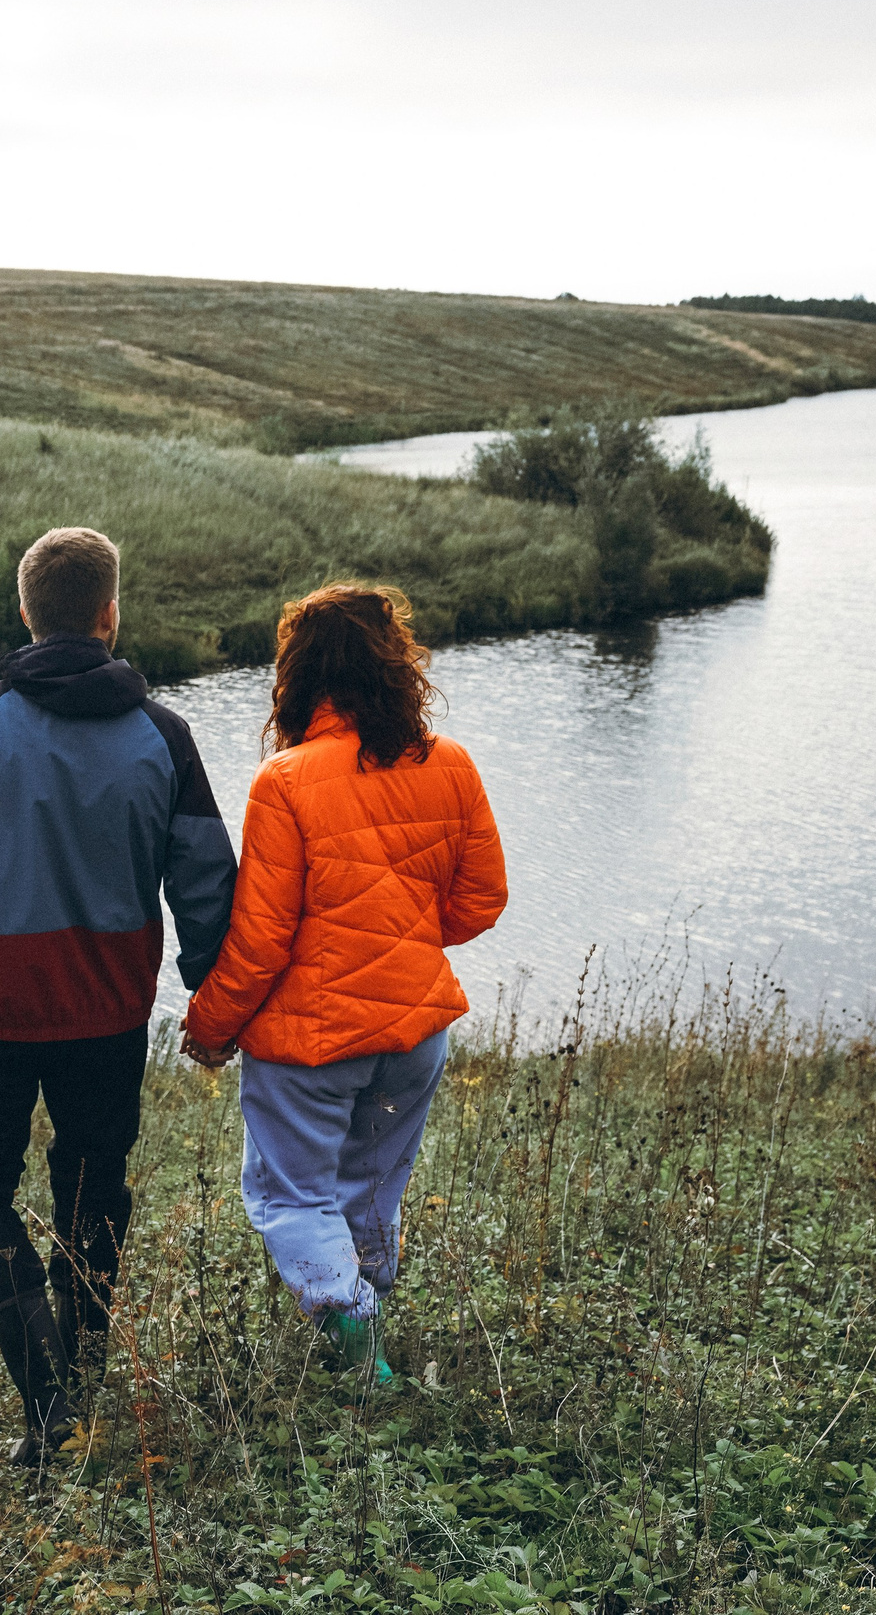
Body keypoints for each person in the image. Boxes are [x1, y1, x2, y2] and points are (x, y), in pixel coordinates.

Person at [0, 526, 236, 1463]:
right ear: (110, 615)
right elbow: (206, 877)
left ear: (25, 613)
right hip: (109, 1014)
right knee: (92, 1184)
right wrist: (214, 1000)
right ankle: (71, 1381)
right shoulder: (164, 734)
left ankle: (46, 1387)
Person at [181, 584, 507, 1381]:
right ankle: (367, 1347)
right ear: (397, 666)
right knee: (371, 1191)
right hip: (415, 1036)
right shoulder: (451, 764)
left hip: (311, 1044)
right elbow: (481, 900)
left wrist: (210, 1026)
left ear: (298, 675)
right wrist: (400, 940)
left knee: (291, 1198)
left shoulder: (285, 780)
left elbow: (261, 940)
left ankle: (358, 1344)